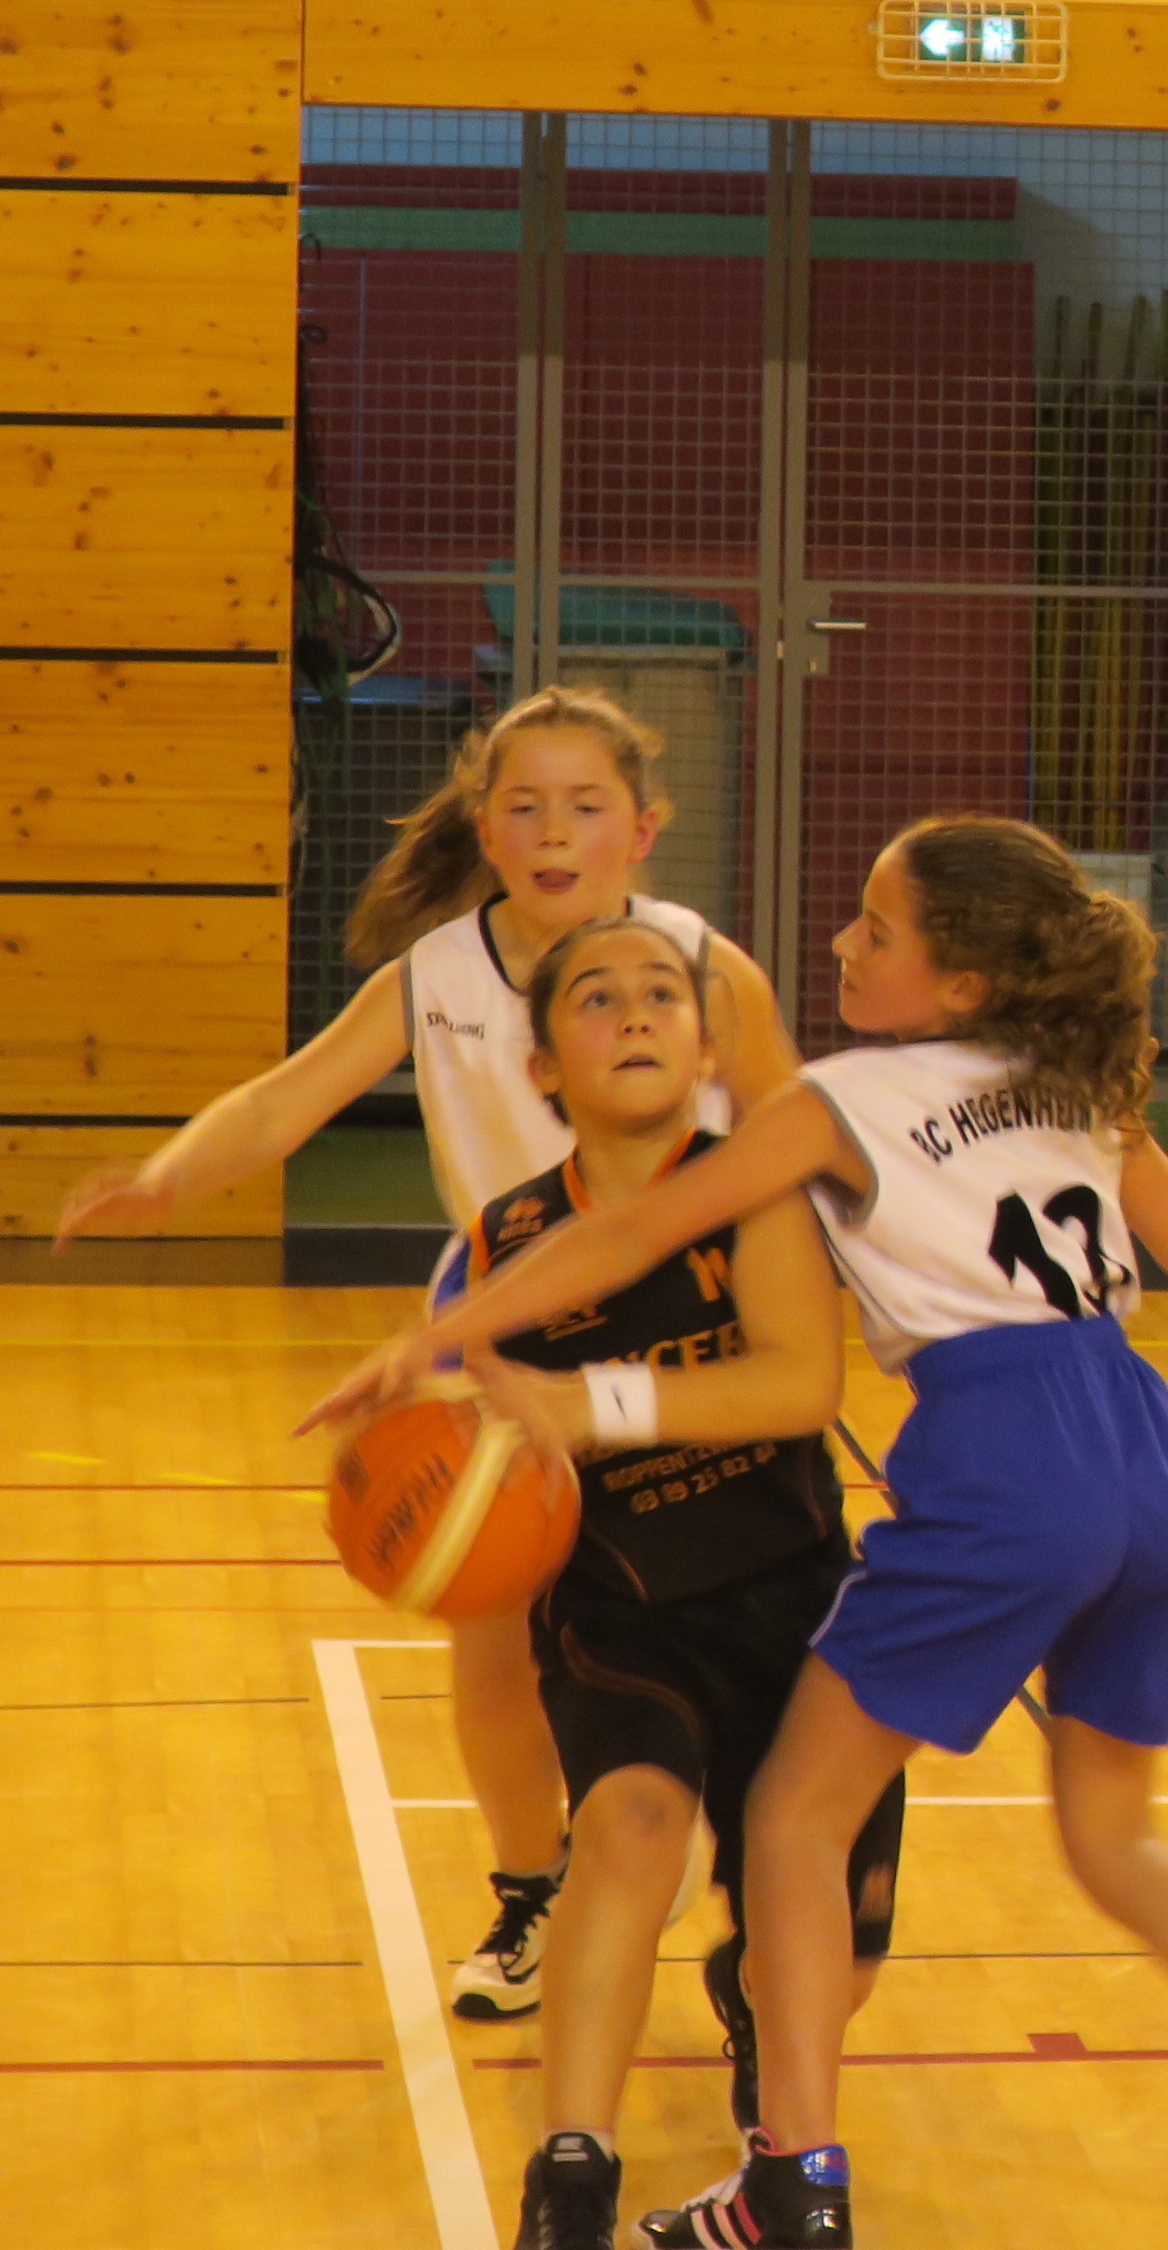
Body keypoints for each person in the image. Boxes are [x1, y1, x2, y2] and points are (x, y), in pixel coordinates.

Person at [312, 815, 1168, 2250]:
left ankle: (791, 2187)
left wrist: (433, 1337)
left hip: (1005, 1454)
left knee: (793, 1816)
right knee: (1113, 1833)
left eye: (875, 930)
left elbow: (632, 1235)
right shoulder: (1071, 1081)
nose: (840, 944)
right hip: (1147, 1453)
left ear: (959, 980)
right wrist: (1111, 1123)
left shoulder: (836, 1102)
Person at [55, 686, 799, 2024]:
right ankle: (535, 1888)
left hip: (683, 1322)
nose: (554, 831)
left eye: (585, 806)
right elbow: (285, 1098)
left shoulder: (700, 965)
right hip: (503, 1322)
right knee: (492, 1627)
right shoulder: (437, 977)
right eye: (526, 807)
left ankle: (714, 1852)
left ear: (644, 829)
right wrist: (169, 1176)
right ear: (485, 828)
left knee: (697, 1603)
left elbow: (794, 1129)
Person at [463, 916, 900, 2250]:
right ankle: (569, 2180)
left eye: (664, 993)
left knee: (837, 1940)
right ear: (543, 1064)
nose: (637, 1013)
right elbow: (483, 1440)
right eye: (597, 999)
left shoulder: (756, 1192)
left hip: (793, 1595)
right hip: (622, 1602)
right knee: (630, 1829)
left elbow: (796, 1386)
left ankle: (761, 2031)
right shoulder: (507, 1240)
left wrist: (589, 1409)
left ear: (708, 1046)